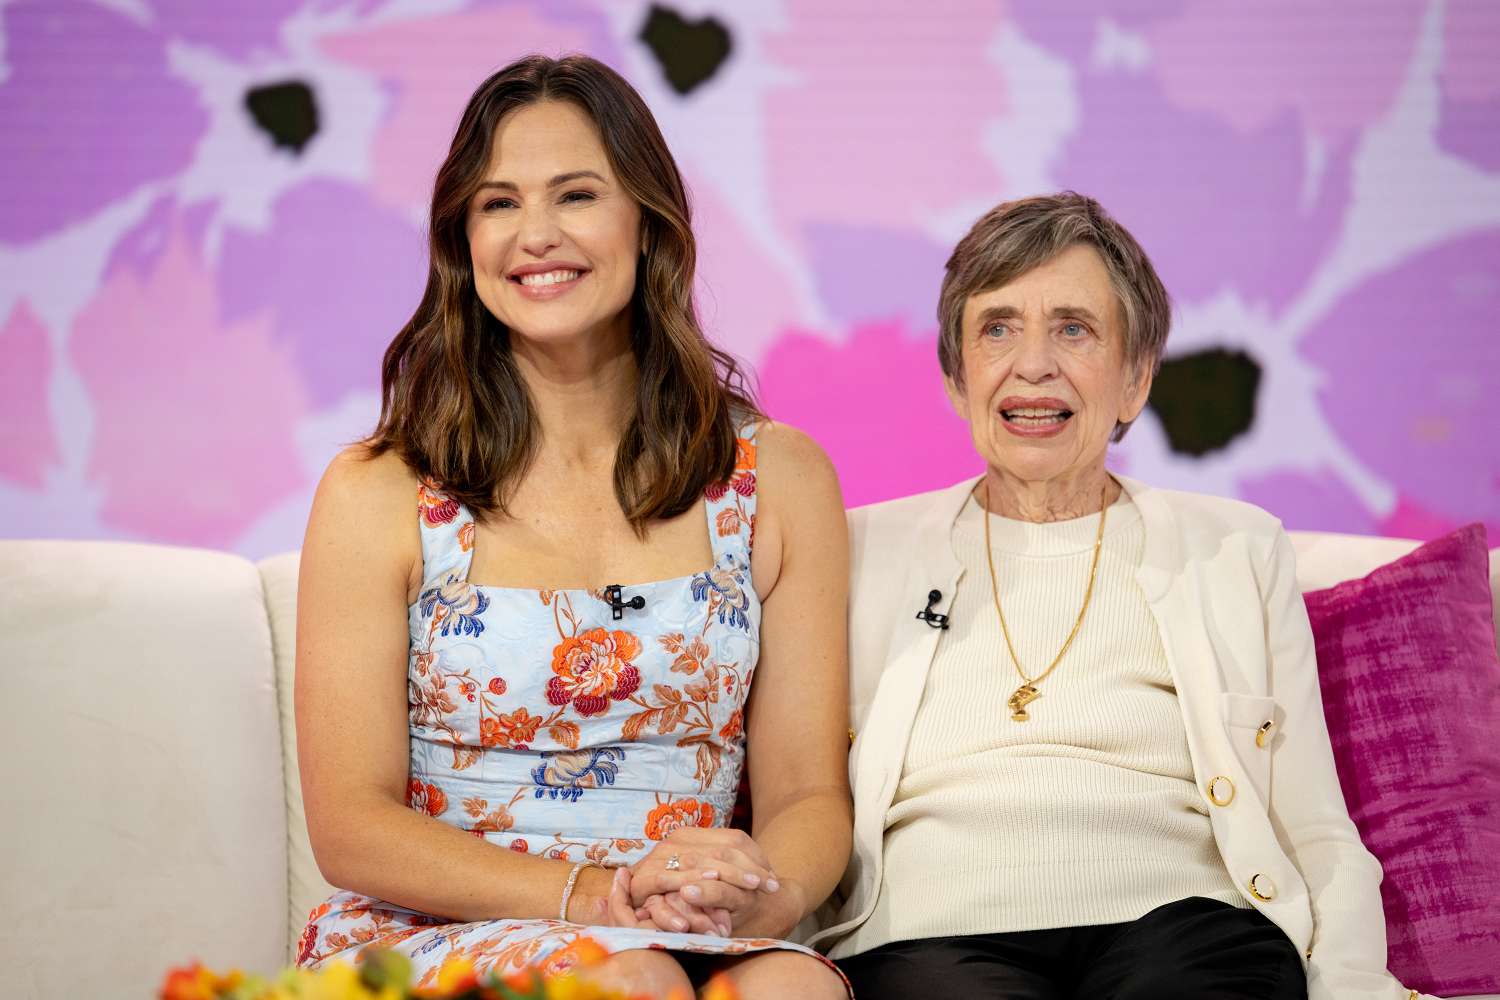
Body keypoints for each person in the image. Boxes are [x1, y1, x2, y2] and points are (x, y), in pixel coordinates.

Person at [294, 54, 851, 999]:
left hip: (685, 925)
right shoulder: (376, 490)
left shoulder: (778, 478)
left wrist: (759, 897)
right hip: (440, 929)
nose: (536, 235)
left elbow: (805, 793)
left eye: (577, 194)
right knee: (629, 984)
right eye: (498, 203)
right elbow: (351, 821)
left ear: (648, 221)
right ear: (461, 242)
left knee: (790, 988)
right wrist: (595, 901)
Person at [812, 192, 1426, 1000]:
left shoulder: (1236, 547)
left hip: (1183, 929)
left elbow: (1312, 823)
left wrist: (1350, 980)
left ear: (1136, 379)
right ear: (958, 380)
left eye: (1073, 328)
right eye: (997, 327)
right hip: (933, 934)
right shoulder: (857, 549)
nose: (1033, 364)